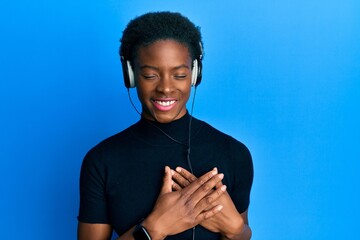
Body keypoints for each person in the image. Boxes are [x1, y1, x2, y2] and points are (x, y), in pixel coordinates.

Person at [77, 11, 253, 240]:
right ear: (130, 75)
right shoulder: (101, 161)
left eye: (179, 75)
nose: (166, 88)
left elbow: (241, 233)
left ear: (194, 74)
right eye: (150, 76)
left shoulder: (234, 153)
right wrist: (153, 229)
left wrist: (237, 229)